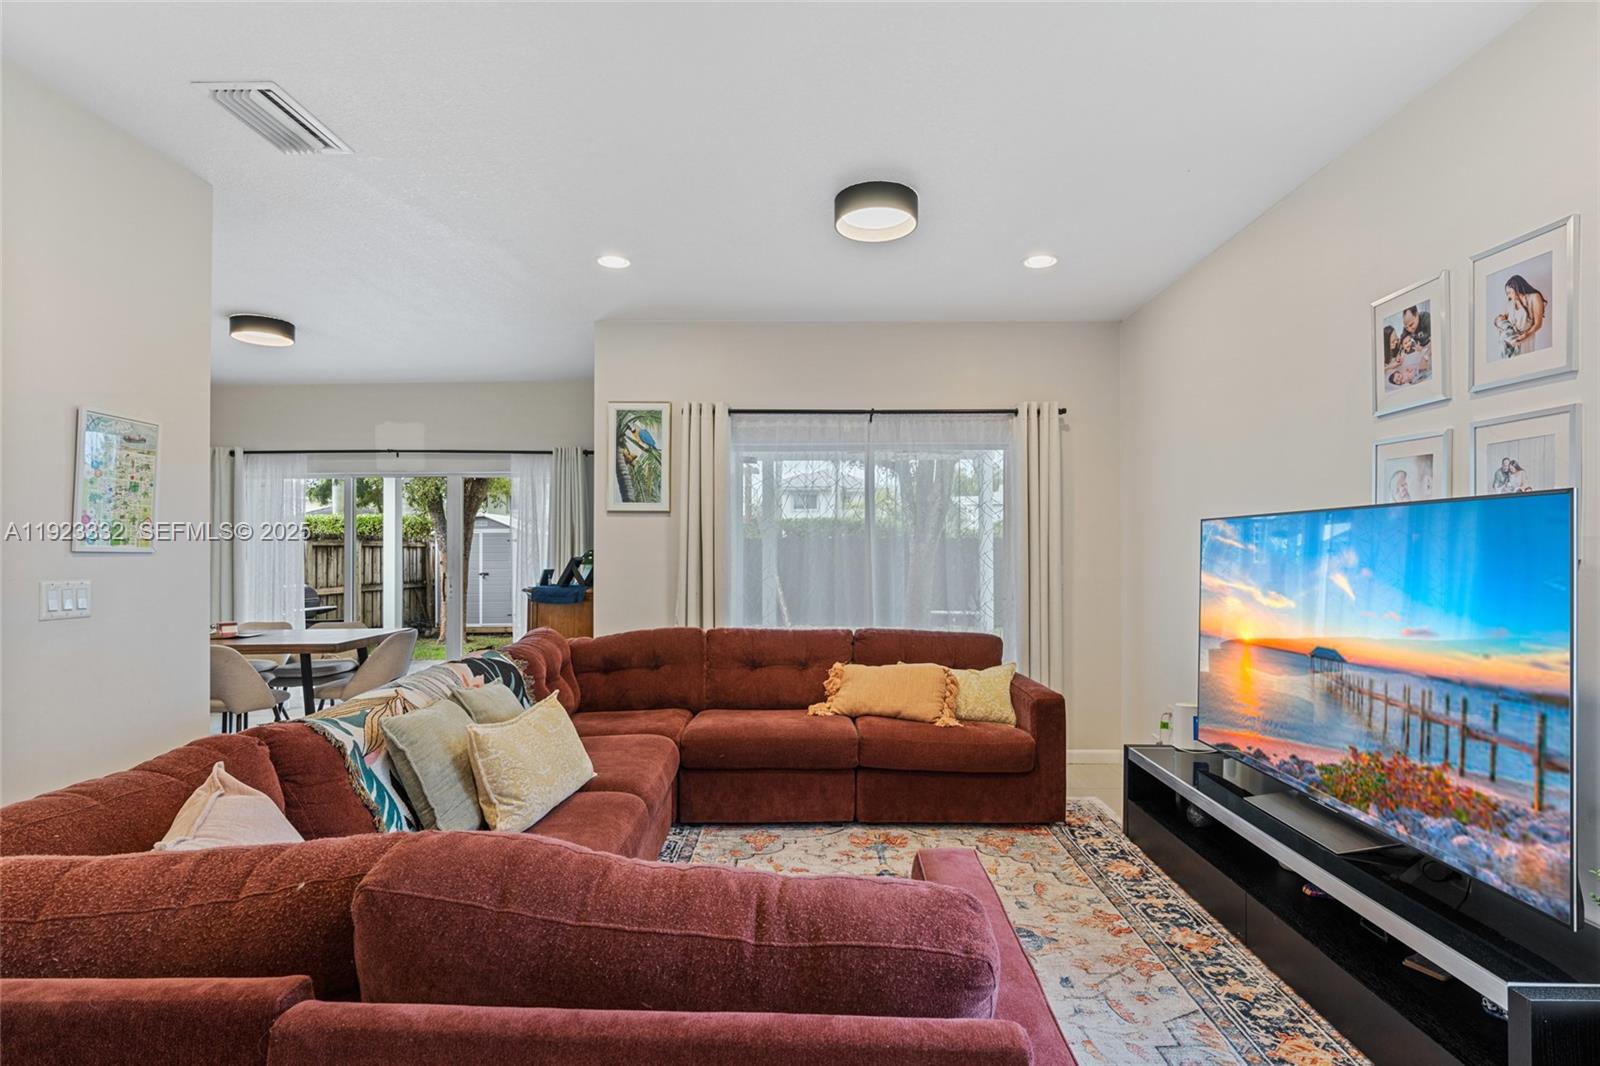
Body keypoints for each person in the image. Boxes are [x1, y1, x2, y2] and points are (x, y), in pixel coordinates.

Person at [1493, 275, 1548, 357]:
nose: (1508, 296)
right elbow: (1502, 321)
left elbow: (1538, 324)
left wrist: (1525, 335)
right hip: (1510, 341)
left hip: (1526, 338)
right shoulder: (1510, 304)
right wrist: (1497, 321)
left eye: (1509, 292)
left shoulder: (1534, 297)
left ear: (1516, 288)